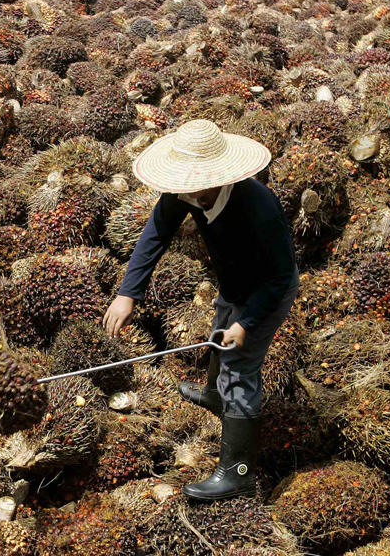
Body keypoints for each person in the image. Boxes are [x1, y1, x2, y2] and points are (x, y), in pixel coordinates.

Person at [103, 119, 299, 501]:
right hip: (233, 284)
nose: (186, 192)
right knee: (218, 332)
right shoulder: (185, 192)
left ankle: (237, 473)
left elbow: (278, 278)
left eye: (195, 184)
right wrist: (128, 293)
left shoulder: (260, 207)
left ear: (218, 177)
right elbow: (155, 233)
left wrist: (247, 322)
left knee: (239, 365)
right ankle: (213, 394)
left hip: (268, 291)